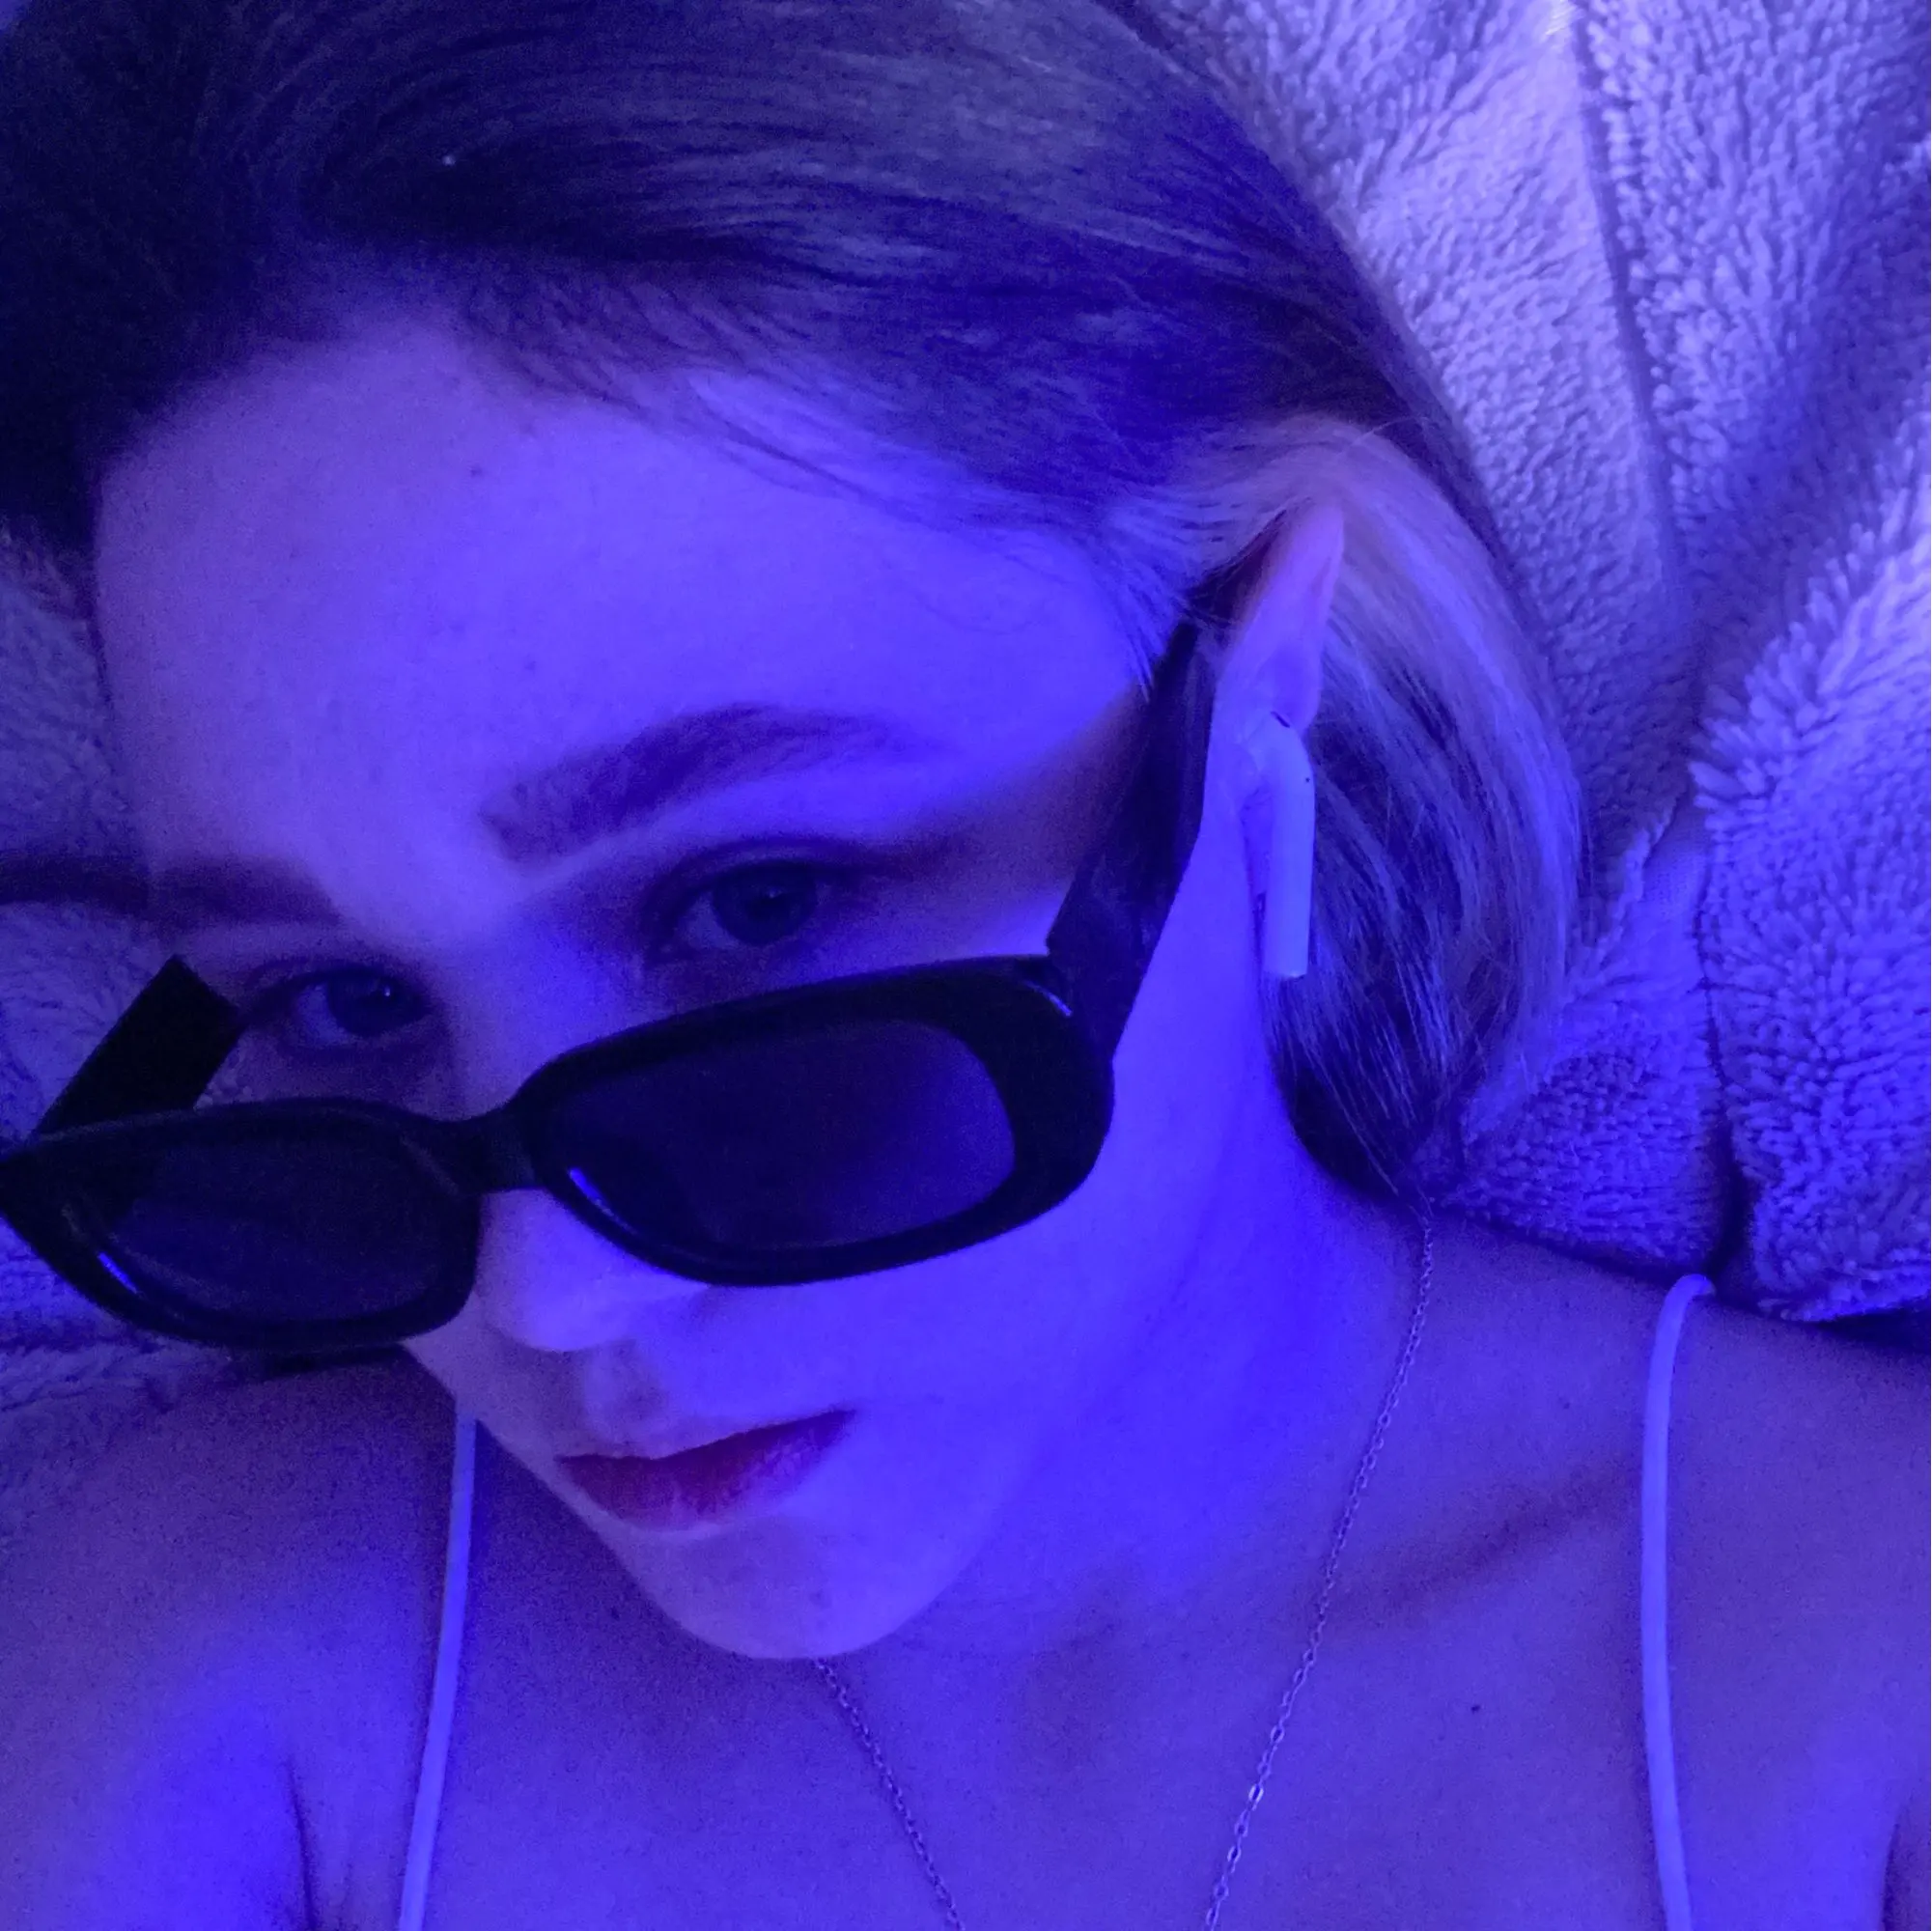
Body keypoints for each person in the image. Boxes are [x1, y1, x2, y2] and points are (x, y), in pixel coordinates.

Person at [0, 2, 1922, 1927]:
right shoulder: (235, 1660)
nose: (551, 1296)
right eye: (345, 1003)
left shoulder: (1864, 1675)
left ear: (1263, 688)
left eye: (757, 901)